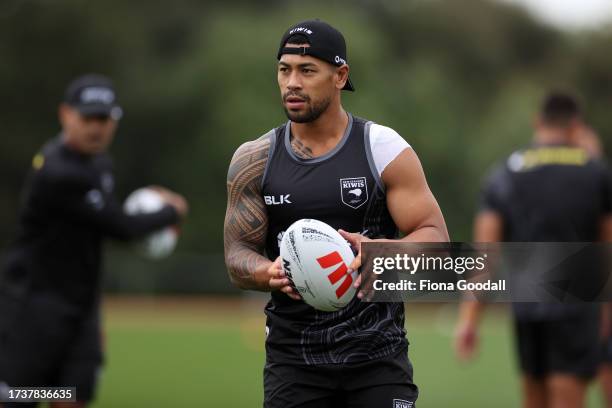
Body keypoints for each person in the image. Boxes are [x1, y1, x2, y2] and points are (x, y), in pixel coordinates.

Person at [224, 19, 448, 408]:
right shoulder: (254, 159)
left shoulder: (382, 149)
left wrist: (381, 254)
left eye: (307, 70)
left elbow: (436, 242)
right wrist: (269, 272)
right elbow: (236, 256)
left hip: (378, 359)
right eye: (284, 69)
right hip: (293, 362)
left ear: (340, 76)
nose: (292, 82)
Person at [0, 74, 188, 408]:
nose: (96, 128)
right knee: (19, 398)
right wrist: (171, 212)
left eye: (103, 119)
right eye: (87, 118)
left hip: (81, 310)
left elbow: (105, 217)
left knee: (73, 397)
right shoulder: (59, 170)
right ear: (65, 115)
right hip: (33, 308)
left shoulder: (99, 163)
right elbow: (121, 227)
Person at [454, 92, 612, 408]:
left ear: (537, 123)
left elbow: (486, 256)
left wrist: (468, 319)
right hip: (576, 309)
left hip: (528, 307)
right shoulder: (596, 173)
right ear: (575, 126)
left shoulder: (505, 174)